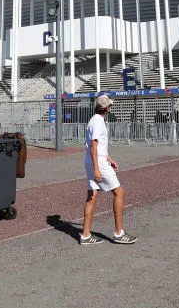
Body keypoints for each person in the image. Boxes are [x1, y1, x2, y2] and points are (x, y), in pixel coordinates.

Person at [79, 95, 136, 245]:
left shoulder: (94, 120)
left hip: (92, 161)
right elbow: (94, 145)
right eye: (110, 106)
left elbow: (98, 146)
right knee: (119, 192)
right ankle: (118, 232)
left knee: (92, 195)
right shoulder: (98, 122)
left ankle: (85, 235)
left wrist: (109, 159)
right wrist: (98, 168)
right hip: (98, 163)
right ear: (106, 108)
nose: (111, 107)